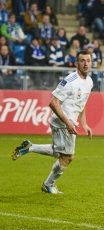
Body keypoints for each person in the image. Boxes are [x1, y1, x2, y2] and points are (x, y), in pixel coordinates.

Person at [12, 50, 93, 194]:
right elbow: (53, 103)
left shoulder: (89, 82)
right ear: (76, 63)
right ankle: (48, 184)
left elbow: (82, 103)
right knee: (68, 157)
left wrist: (85, 123)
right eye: (82, 60)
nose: (86, 63)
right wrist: (67, 122)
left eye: (88, 60)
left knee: (59, 152)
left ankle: (29, 147)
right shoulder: (70, 82)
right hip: (63, 122)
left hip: (69, 122)